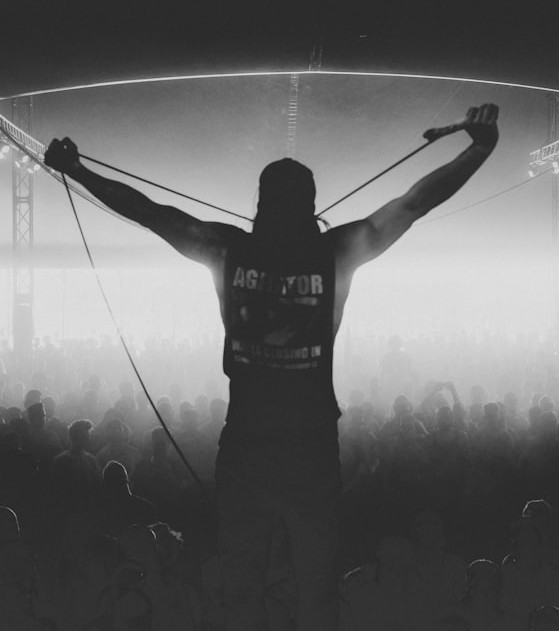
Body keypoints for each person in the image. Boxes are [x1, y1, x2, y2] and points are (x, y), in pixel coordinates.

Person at [44, 102, 500, 630]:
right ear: (311, 205)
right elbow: (413, 203)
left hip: (250, 441)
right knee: (315, 588)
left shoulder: (226, 249)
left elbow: (149, 211)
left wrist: (78, 171)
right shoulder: (336, 251)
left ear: (259, 204)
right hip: (307, 444)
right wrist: (479, 150)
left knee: (244, 590)